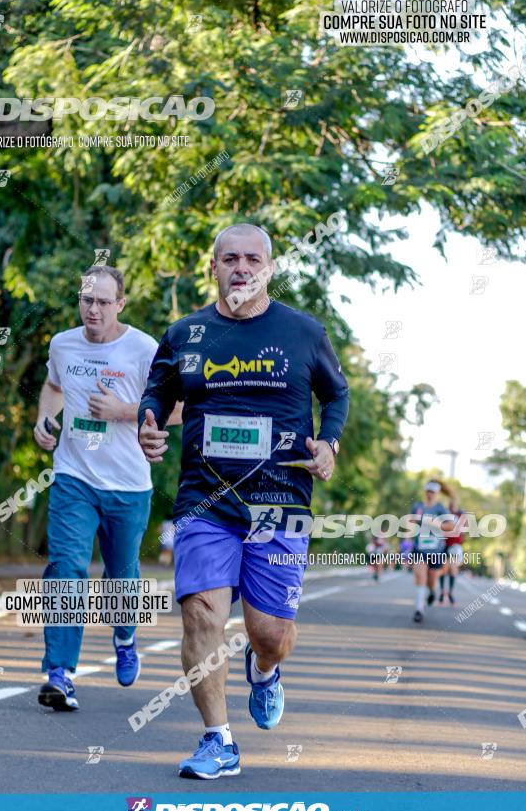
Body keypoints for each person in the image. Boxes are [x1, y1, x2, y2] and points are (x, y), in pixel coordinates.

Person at [138, 223, 349, 779]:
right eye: (229, 258)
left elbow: (337, 393)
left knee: (269, 634)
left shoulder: (303, 332)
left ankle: (265, 670)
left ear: (270, 268)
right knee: (201, 614)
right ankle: (218, 741)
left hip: (279, 501)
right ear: (213, 267)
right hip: (205, 501)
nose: (241, 268)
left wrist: (328, 444)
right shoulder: (186, 334)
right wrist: (149, 420)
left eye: (253, 259)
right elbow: (159, 389)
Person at [33, 264, 181, 710]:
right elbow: (53, 386)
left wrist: (122, 411)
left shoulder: (143, 349)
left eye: (102, 302)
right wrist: (45, 418)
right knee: (65, 568)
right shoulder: (62, 344)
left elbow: (176, 409)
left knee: (122, 577)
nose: (92, 309)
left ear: (120, 304)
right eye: (85, 301)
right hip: (73, 477)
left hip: (128, 484)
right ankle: (59, 673)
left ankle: (125, 634)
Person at [409, 479, 455, 624]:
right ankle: (419, 610)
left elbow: (451, 526)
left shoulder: (440, 508)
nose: (430, 494)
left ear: (437, 494)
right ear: (425, 492)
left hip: (436, 550)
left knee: (431, 580)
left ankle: (432, 591)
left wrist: (435, 524)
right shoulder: (417, 506)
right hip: (419, 549)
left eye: (433, 492)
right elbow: (410, 523)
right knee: (419, 577)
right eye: (428, 491)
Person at [438, 483, 465, 605]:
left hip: (455, 545)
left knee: (453, 568)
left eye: (455, 502)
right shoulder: (444, 514)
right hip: (444, 544)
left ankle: (450, 593)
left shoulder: (461, 515)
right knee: (443, 570)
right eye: (451, 502)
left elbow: (464, 528)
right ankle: (442, 593)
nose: (452, 504)